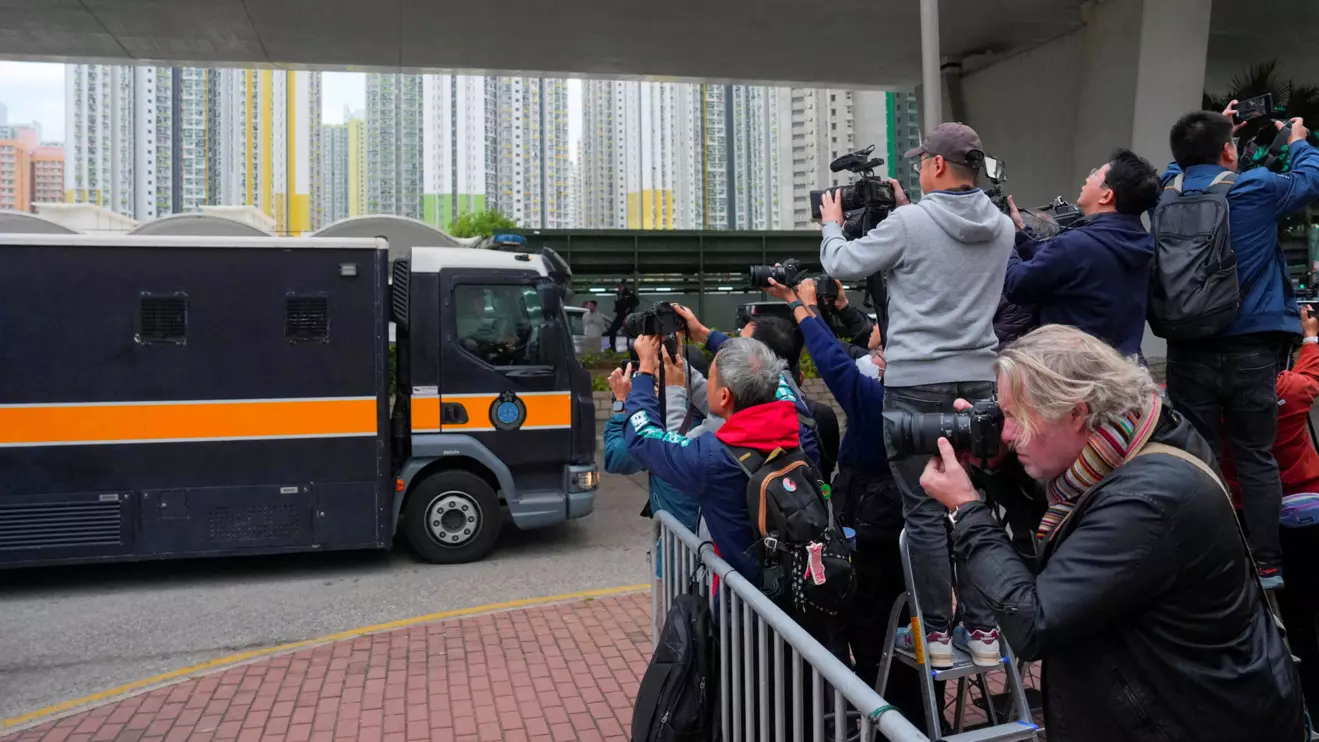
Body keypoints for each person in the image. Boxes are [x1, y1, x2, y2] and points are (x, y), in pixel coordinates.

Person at [920, 325, 1304, 742]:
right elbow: (1069, 543)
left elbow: (1036, 622)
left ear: (1076, 412)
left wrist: (966, 509)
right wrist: (998, 470)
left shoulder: (1148, 499)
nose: (1007, 433)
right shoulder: (1134, 444)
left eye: (1015, 416)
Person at [818, 121, 1014, 666]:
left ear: (935, 165)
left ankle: (934, 635)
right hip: (978, 383)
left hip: (914, 385)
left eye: (921, 160)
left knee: (924, 512)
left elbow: (842, 263)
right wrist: (911, 208)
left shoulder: (908, 222)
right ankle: (982, 632)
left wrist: (833, 225)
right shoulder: (1002, 227)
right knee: (974, 504)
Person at [1161, 106, 1319, 587]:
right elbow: (1310, 179)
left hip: (1186, 348)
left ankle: (1215, 560)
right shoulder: (1254, 188)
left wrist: (1216, 127)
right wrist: (1296, 140)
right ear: (1229, 150)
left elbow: (1178, 165)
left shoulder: (1166, 193)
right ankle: (1269, 563)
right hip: (1251, 347)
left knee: (1202, 456)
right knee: (1255, 455)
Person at [763, 275, 930, 723]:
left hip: (872, 523)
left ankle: (894, 720)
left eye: (878, 345)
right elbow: (855, 345)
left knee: (874, 634)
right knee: (900, 628)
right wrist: (831, 306)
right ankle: (907, 713)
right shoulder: (927, 394)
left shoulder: (879, 401)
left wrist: (801, 307)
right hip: (905, 523)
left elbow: (836, 363)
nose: (869, 348)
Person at [1220, 306, 1319, 712]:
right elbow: (1311, 372)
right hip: (1306, 511)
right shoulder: (1291, 391)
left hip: (1246, 519)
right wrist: (1310, 334)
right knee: (1308, 609)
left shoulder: (1214, 402)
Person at [1002, 148, 1160, 357]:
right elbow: (1067, 263)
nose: (1087, 178)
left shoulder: (1075, 246)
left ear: (1107, 195)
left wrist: (1007, 239)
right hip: (1123, 372)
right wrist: (1023, 234)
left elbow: (1017, 285)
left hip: (1074, 375)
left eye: (1095, 174)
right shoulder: (1142, 244)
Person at [673, 305, 822, 468]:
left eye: (741, 341)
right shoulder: (776, 383)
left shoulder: (729, 427)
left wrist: (672, 388)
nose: (731, 346)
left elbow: (671, 452)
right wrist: (702, 333)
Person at [605, 282, 639, 352]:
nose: (619, 288)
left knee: (629, 331)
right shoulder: (618, 295)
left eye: (621, 287)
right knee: (612, 329)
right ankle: (612, 347)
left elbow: (636, 302)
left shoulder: (629, 295)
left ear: (624, 287)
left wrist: (629, 307)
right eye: (618, 287)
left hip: (627, 316)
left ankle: (629, 346)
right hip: (620, 315)